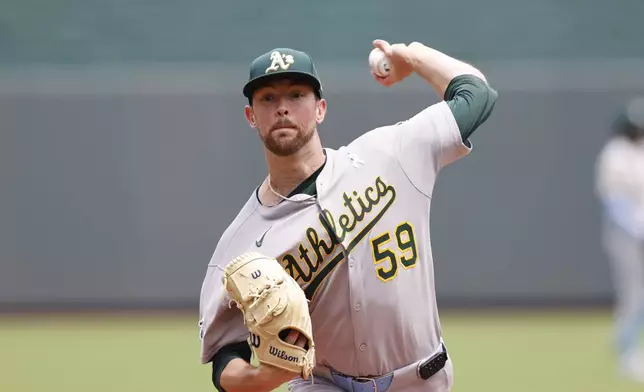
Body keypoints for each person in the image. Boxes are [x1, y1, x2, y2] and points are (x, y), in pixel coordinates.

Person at [197, 39, 498, 392]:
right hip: (322, 384)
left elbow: (476, 93)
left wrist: (412, 56)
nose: (283, 108)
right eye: (268, 98)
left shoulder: (390, 155)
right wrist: (265, 377)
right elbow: (224, 359)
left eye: (296, 95)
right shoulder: (240, 244)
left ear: (320, 108)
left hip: (420, 379)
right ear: (251, 116)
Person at [595, 96, 644, 383]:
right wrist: (638, 226)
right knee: (633, 294)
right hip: (625, 235)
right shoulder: (615, 154)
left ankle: (624, 341)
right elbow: (615, 203)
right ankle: (627, 353)